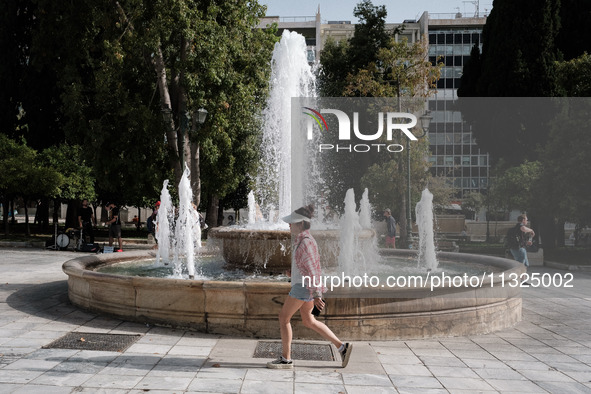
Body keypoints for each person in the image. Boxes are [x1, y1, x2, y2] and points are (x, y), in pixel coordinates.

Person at [267, 204, 353, 369]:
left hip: (303, 287)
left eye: (292, 222)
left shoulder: (305, 242)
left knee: (284, 318)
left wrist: (317, 294)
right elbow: (308, 267)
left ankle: (286, 359)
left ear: (300, 224)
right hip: (305, 285)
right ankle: (342, 348)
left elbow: (313, 270)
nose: (289, 225)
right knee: (308, 320)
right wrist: (292, 273)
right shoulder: (304, 240)